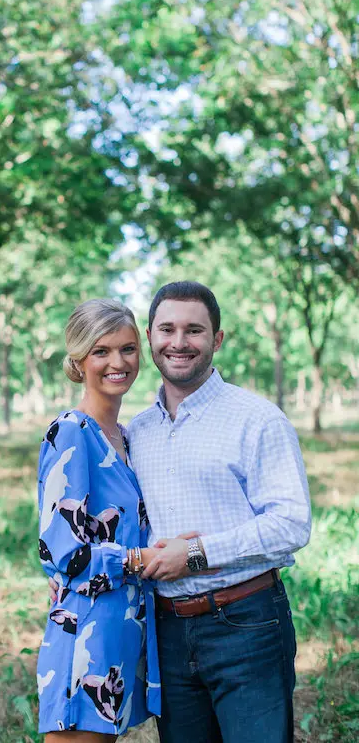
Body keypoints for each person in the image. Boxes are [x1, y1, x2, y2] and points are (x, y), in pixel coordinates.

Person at [128, 280, 312, 743]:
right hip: (166, 628)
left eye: (195, 330)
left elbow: (291, 523)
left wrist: (195, 553)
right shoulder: (137, 432)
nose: (179, 342)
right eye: (167, 329)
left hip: (246, 622)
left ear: (218, 339)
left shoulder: (257, 419)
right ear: (149, 335)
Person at [37, 298, 162, 741]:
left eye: (128, 349)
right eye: (101, 351)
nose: (118, 362)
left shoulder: (127, 439)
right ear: (79, 359)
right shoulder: (72, 431)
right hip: (86, 627)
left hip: (125, 629)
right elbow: (63, 550)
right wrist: (138, 558)